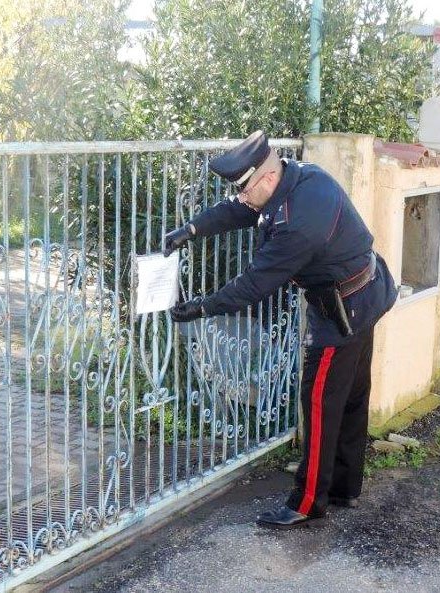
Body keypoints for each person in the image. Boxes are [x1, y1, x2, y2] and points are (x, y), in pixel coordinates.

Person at [164, 130, 398, 528]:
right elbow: (242, 209)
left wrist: (203, 307)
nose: (242, 197)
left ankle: (308, 503)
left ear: (267, 179)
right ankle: (344, 487)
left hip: (341, 312)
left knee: (321, 405)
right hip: (367, 291)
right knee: (353, 396)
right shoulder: (300, 177)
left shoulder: (298, 224)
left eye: (246, 190)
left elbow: (255, 284)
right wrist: (192, 229)